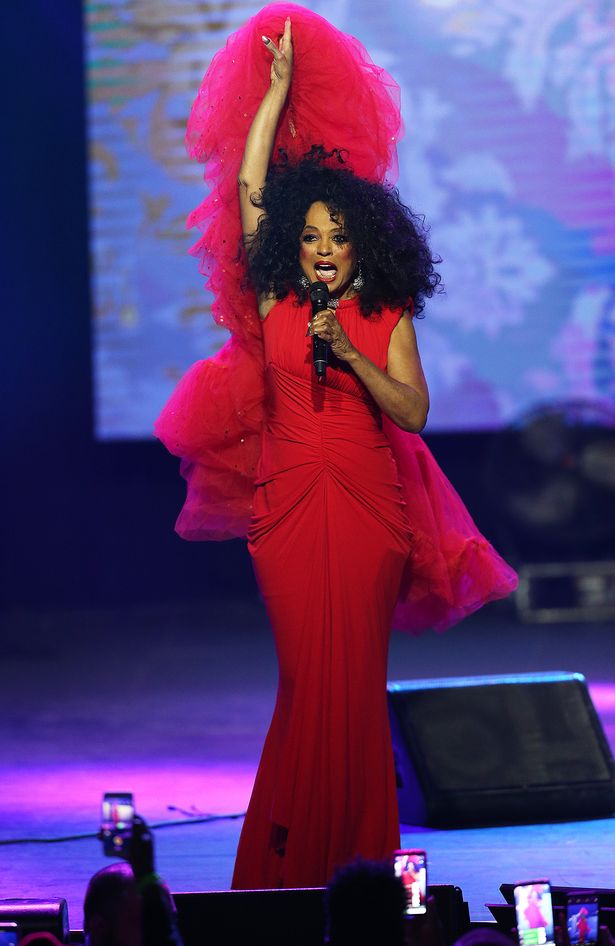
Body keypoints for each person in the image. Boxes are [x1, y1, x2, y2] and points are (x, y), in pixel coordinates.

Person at [154, 3, 518, 890]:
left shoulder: (384, 316)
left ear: (360, 242)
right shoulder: (274, 295)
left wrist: (351, 353)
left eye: (334, 235)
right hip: (283, 510)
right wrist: (274, 97)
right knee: (305, 680)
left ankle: (354, 868)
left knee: (351, 689)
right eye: (308, 236)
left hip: (367, 513)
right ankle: (293, 866)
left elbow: (415, 413)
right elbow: (248, 190)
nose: (319, 248)